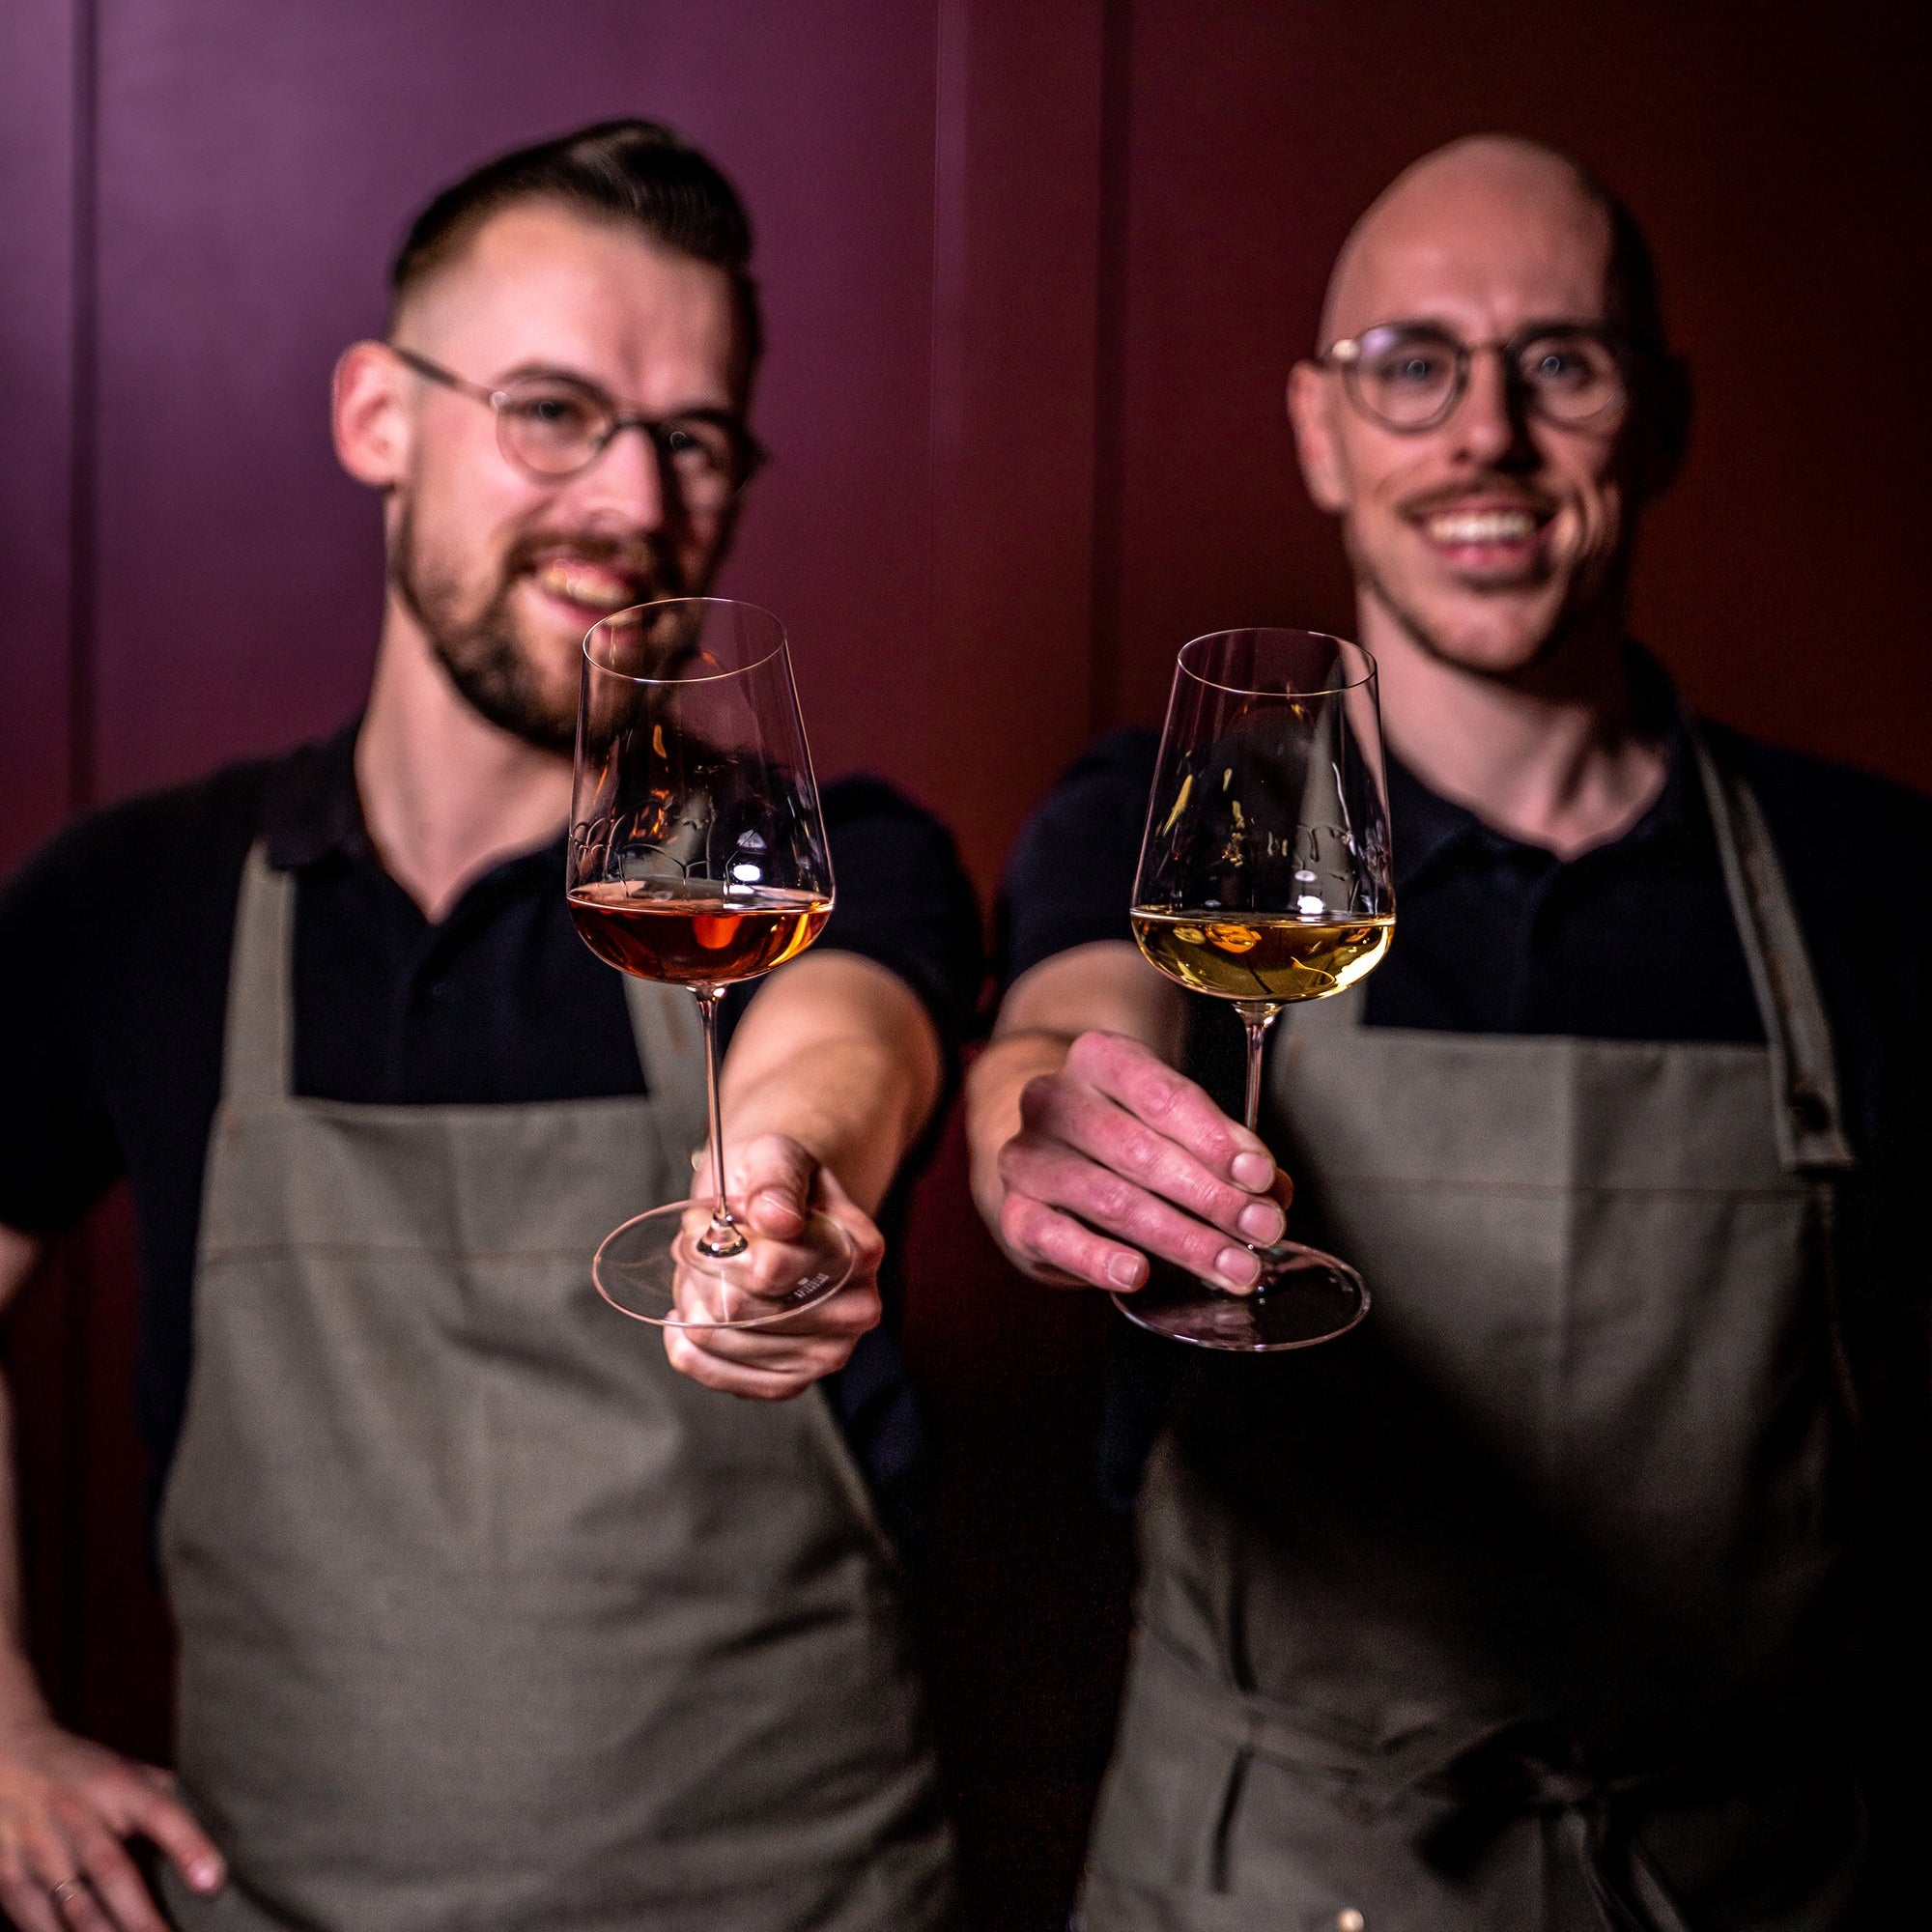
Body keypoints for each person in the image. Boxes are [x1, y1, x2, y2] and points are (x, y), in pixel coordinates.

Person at [0, 121, 977, 1932]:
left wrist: (785, 1187)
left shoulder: (808, 865)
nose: (632, 500)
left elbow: (846, 1043)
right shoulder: (137, 900)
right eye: (553, 411)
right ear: (380, 415)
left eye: (692, 438)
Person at [970, 134, 1930, 1927]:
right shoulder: (1163, 821)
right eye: (1410, 367)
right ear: (1319, 430)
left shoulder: (1870, 883)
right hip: (1268, 1872)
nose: (1483, 434)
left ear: (1661, 422)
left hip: (1755, 1873)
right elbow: (1064, 1017)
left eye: (1557, 364)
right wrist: (1047, 1125)